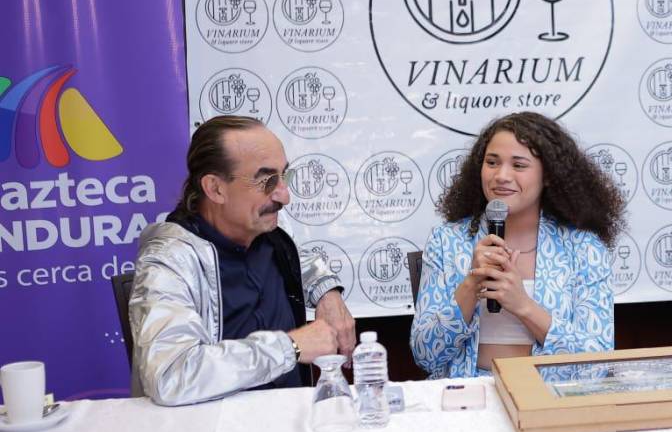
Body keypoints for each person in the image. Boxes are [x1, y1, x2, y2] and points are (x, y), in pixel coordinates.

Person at [129, 116, 356, 406]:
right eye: (266, 180)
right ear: (215, 188)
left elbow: (303, 261)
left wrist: (328, 292)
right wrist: (291, 346)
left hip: (293, 422)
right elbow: (171, 376)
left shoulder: (267, 234)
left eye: (284, 176)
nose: (284, 196)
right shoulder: (169, 259)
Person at [411, 112, 625, 378]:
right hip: (468, 401)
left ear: (548, 175)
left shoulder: (583, 248)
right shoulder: (447, 241)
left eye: (519, 165)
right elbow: (425, 356)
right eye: (492, 162)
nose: (501, 175)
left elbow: (598, 364)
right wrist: (470, 286)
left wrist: (523, 305)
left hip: (548, 402)